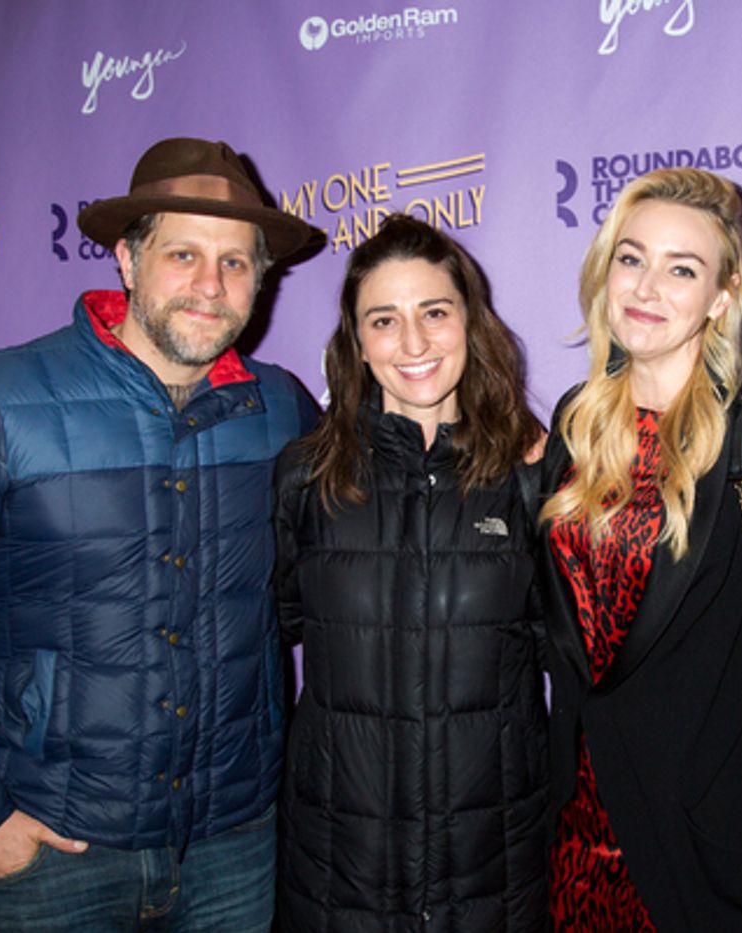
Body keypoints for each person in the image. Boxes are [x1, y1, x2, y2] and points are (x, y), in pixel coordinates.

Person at [0, 137, 324, 931]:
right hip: (52, 857)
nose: (211, 285)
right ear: (126, 258)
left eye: (236, 262)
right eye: (183, 253)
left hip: (235, 848)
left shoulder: (281, 411)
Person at [538, 167, 742, 931]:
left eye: (681, 268)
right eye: (631, 258)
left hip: (706, 841)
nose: (647, 286)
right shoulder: (576, 423)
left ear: (722, 297)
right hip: (579, 826)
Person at [273, 214, 549, 931]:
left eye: (434, 312)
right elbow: (274, 632)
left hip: (495, 870)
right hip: (341, 872)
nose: (415, 343)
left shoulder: (530, 474)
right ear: (357, 342)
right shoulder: (307, 477)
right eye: (384, 320)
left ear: (470, 320)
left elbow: (570, 653)